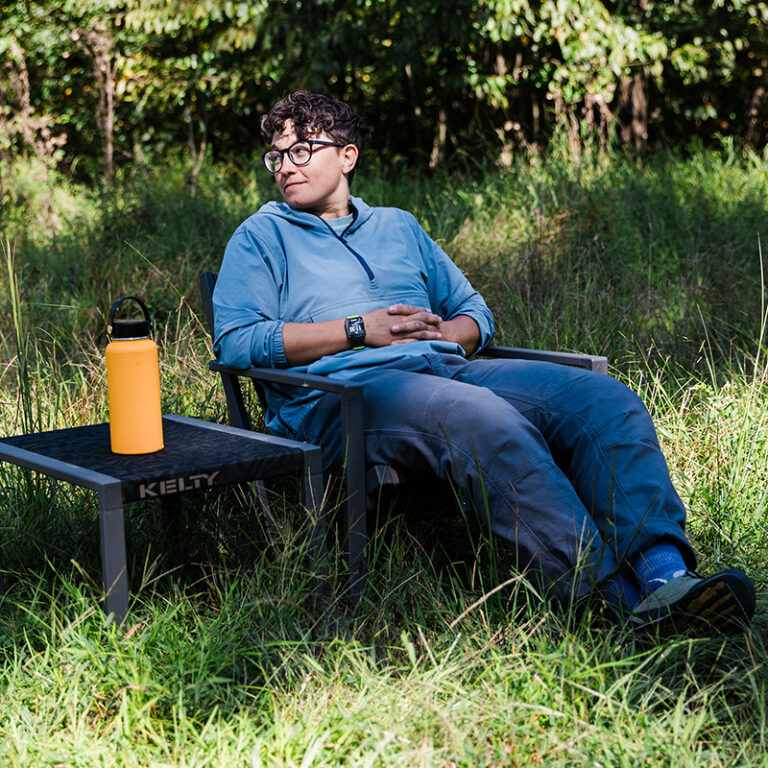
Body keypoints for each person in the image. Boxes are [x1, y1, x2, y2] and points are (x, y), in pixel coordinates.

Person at [213, 90, 755, 635]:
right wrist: (359, 330)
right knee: (481, 418)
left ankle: (667, 579)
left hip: (447, 371)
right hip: (341, 398)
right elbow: (236, 342)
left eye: (301, 150)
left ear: (347, 156)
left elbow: (476, 313)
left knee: (603, 401)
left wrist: (448, 332)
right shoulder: (261, 236)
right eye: (277, 156)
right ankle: (606, 600)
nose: (286, 166)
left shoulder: (399, 227)